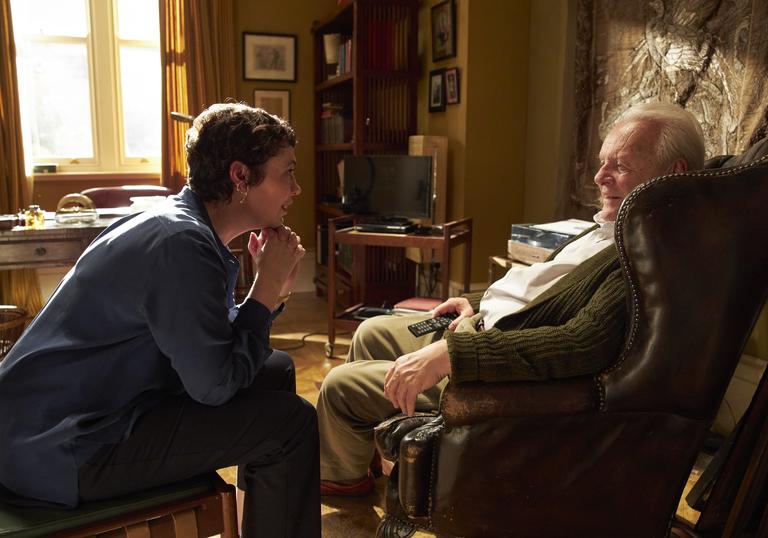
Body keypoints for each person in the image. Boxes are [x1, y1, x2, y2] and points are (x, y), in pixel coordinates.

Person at [317, 101, 706, 496]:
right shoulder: (613, 225)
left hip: (498, 364)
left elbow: (580, 343)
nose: (599, 177)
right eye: (602, 162)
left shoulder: (645, 255)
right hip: (485, 323)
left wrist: (454, 354)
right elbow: (541, 286)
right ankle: (367, 453)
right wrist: (477, 301)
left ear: (674, 173)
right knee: (370, 332)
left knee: (340, 385)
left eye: (619, 166)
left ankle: (342, 484)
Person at [0, 103, 320, 537]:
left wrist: (271, 292)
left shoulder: (180, 226)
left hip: (75, 417)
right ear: (241, 176)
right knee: (291, 424)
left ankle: (259, 521)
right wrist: (262, 293)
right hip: (61, 449)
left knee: (276, 368)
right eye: (287, 173)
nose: (297, 189)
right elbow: (215, 384)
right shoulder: (181, 244)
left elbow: (203, 340)